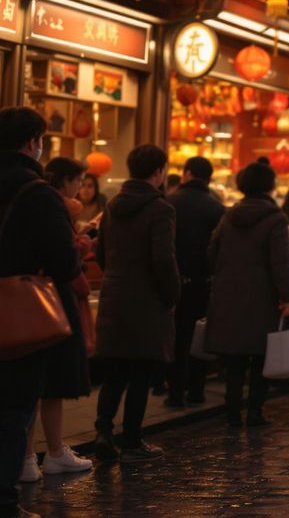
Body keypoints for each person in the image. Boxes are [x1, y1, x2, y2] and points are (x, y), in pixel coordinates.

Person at [0, 109, 82, 518]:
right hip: (16, 315)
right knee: (14, 408)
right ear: (34, 141)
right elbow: (65, 263)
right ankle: (4, 500)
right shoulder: (36, 192)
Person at [92, 144, 180, 464]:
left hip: (115, 296)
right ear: (158, 172)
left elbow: (101, 252)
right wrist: (172, 294)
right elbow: (163, 259)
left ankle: (102, 432)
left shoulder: (113, 205)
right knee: (141, 372)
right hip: (146, 301)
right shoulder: (160, 209)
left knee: (115, 371)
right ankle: (131, 439)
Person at [205, 162, 289, 427]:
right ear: (270, 185)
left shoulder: (228, 216)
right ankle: (255, 411)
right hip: (262, 297)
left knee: (234, 361)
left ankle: (232, 412)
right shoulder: (275, 218)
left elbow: (212, 253)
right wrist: (287, 296)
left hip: (229, 295)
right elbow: (281, 263)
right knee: (260, 358)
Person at [20, 158, 93, 485]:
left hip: (27, 300)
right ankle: (34, 456)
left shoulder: (34, 197)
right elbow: (63, 260)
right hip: (45, 303)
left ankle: (40, 454)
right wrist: (82, 243)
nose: (81, 187)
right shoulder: (49, 202)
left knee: (37, 385)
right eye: (79, 180)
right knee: (42, 384)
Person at [163, 157, 223, 408]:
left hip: (173, 277)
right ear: (208, 178)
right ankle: (196, 389)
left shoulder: (169, 202)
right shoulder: (216, 207)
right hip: (203, 280)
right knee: (199, 334)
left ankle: (175, 391)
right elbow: (218, 249)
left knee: (175, 335)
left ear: (186, 174)